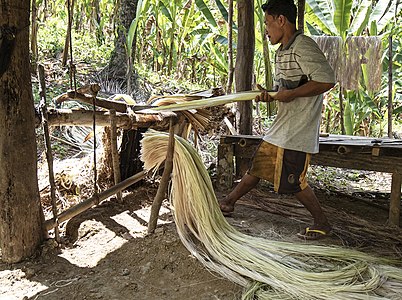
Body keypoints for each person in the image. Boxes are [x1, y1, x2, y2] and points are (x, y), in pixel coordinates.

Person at [219, 0, 335, 240]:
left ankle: (323, 223)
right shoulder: (284, 50)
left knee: (294, 180)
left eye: (268, 23)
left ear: (281, 20)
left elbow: (326, 81)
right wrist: (269, 94)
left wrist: (290, 94)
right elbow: (289, 87)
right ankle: (229, 202)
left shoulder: (303, 46)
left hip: (298, 128)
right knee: (259, 165)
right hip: (283, 125)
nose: (266, 30)